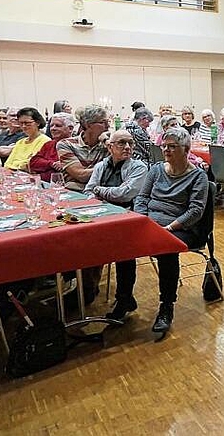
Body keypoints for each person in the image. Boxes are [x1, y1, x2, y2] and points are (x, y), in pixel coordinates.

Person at [134, 127, 209, 333]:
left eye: (172, 146)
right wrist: (143, 221)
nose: (166, 150)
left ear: (185, 150)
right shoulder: (157, 170)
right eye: (164, 145)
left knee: (166, 248)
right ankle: (124, 299)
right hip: (149, 222)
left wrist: (168, 227)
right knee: (123, 245)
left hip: (180, 226)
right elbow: (142, 198)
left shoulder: (197, 177)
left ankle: (166, 306)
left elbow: (195, 211)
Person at [83, 130, 148, 321]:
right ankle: (86, 289)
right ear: (109, 147)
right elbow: (88, 190)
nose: (127, 147)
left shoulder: (139, 167)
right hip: (101, 215)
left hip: (127, 215)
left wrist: (99, 191)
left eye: (130, 143)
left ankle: (124, 297)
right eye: (121, 143)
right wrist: (99, 194)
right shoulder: (102, 165)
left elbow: (125, 194)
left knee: (124, 251)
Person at [56, 105, 110, 303]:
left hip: (100, 199)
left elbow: (113, 174)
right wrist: (105, 165)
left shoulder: (109, 145)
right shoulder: (66, 144)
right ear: (87, 125)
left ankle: (87, 286)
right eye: (103, 122)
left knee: (95, 234)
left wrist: (110, 149)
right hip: (71, 198)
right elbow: (78, 174)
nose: (108, 125)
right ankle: (69, 277)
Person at [30, 112, 75, 181]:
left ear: (70, 129)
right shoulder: (49, 144)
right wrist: (52, 164)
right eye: (51, 126)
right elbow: (33, 163)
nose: (53, 129)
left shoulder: (76, 146)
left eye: (58, 126)